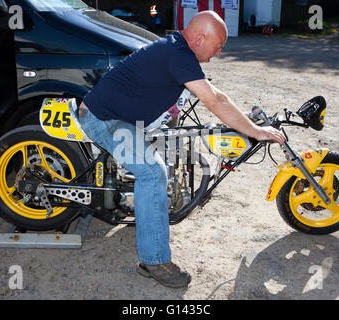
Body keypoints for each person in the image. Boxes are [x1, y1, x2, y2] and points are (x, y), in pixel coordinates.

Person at [78, 11, 285, 288]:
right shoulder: (177, 54)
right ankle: (153, 261)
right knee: (153, 173)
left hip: (124, 116)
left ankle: (144, 217)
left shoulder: (177, 50)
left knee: (169, 148)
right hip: (105, 119)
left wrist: (246, 119)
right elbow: (215, 100)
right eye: (218, 46)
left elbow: (212, 93)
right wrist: (256, 132)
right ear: (200, 38)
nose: (219, 52)